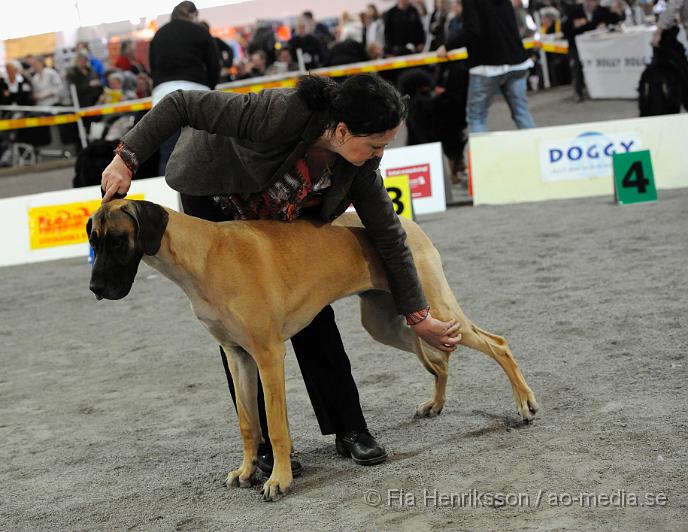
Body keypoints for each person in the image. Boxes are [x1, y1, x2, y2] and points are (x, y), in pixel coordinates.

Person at [100, 74, 463, 474]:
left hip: (279, 204)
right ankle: (262, 450)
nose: (381, 153)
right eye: (376, 143)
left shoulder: (359, 162)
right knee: (238, 325)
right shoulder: (277, 112)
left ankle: (350, 428)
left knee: (308, 301)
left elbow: (389, 236)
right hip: (215, 192)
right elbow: (182, 103)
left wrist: (417, 315)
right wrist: (126, 157)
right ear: (342, 130)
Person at [437, 0, 535, 133]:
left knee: (476, 117)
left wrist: (447, 46)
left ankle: (481, 154)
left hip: (487, 65)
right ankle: (534, 151)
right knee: (522, 113)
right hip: (516, 61)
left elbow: (472, 31)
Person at [148, 1, 220, 176]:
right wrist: (208, 87)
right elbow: (214, 66)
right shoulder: (201, 32)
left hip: (163, 98)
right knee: (208, 153)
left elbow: (153, 68)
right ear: (193, 15)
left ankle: (168, 199)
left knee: (168, 156)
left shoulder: (158, 35)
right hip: (196, 96)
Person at [563, 0, 623, 101]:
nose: (591, 4)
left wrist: (617, 12)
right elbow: (566, 30)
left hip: (597, 47)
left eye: (594, 2)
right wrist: (577, 26)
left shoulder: (601, 10)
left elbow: (615, 19)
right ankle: (578, 91)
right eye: (589, 1)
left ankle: (605, 88)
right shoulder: (574, 11)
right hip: (576, 46)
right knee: (577, 65)